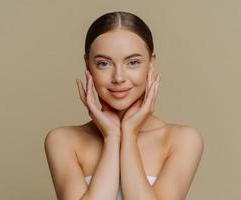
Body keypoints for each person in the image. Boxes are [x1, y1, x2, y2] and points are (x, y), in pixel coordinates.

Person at [44, 11, 204, 200]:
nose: (118, 78)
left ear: (151, 63)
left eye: (133, 62)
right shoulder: (63, 141)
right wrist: (112, 137)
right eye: (104, 63)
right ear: (88, 65)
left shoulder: (182, 140)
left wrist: (129, 134)